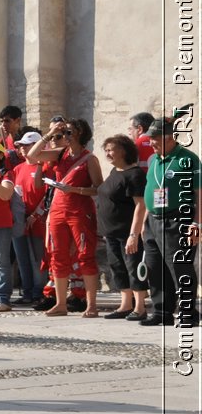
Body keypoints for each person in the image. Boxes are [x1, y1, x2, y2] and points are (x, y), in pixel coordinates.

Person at [29, 119, 103, 317]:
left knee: (85, 255)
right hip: (58, 211)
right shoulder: (60, 154)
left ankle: (91, 305)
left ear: (80, 134)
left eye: (68, 132)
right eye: (64, 133)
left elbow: (98, 188)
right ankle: (61, 303)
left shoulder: (89, 159)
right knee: (57, 256)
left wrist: (74, 189)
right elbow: (31, 156)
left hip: (80, 211)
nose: (64, 136)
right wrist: (50, 132)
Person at [131, 117, 198, 328]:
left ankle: (189, 312)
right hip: (153, 220)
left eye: (154, 138)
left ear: (169, 138)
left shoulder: (187, 159)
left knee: (179, 267)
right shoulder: (154, 161)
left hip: (178, 219)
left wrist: (197, 224)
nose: (150, 143)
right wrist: (143, 224)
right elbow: (148, 192)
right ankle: (161, 311)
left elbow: (200, 193)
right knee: (155, 267)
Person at [96, 134, 148, 322]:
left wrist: (134, 234)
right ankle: (125, 305)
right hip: (110, 232)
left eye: (111, 149)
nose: (108, 153)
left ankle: (140, 307)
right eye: (107, 150)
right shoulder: (114, 173)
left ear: (124, 151)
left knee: (133, 268)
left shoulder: (135, 175)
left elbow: (141, 206)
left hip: (127, 232)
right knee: (117, 267)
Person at [8, 130, 50, 307]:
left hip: (38, 221)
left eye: (27, 145)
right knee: (22, 257)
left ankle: (39, 292)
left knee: (39, 258)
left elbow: (49, 194)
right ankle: (26, 291)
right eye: (21, 145)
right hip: (20, 220)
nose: (23, 149)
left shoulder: (46, 167)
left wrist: (37, 214)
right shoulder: (17, 169)